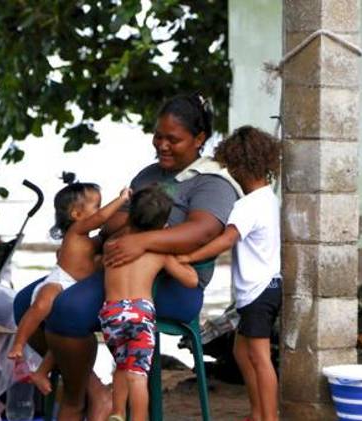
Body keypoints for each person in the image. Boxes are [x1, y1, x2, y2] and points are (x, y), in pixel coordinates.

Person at [13, 92, 240, 421]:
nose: (162, 145)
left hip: (168, 283)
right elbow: (113, 221)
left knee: (67, 310)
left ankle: (75, 401)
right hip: (116, 268)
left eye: (173, 139)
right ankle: (94, 392)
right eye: (158, 136)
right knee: (26, 303)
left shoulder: (212, 183)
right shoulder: (149, 174)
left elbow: (202, 231)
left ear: (199, 138)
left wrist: (142, 241)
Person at [177, 126, 282, 421]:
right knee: (240, 351)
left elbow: (225, 240)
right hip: (268, 287)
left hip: (257, 291)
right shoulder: (269, 198)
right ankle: (258, 413)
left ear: (238, 166)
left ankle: (268, 417)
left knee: (260, 357)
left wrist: (188, 256)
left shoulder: (246, 206)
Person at [9, 175, 130, 395]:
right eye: (97, 205)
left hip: (74, 288)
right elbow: (102, 218)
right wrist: (121, 199)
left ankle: (41, 372)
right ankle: (19, 343)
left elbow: (102, 240)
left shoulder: (89, 240)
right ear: (76, 215)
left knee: (61, 337)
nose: (100, 210)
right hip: (60, 280)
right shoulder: (76, 231)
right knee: (41, 304)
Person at [101, 186, 198, 421]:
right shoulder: (159, 252)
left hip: (110, 314)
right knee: (137, 375)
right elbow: (191, 280)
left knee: (122, 365)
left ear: (130, 216)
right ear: (162, 226)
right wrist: (182, 257)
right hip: (139, 314)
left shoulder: (111, 245)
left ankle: (117, 412)